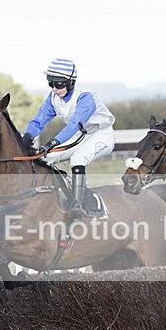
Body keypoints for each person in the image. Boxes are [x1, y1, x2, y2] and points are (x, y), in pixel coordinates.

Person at [23, 58, 116, 218]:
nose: (54, 88)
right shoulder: (53, 98)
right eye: (50, 83)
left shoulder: (85, 96)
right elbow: (38, 121)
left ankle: (78, 205)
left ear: (71, 82)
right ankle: (55, 196)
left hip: (101, 134)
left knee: (78, 159)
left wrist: (53, 142)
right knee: (45, 158)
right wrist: (26, 137)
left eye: (58, 84)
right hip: (81, 135)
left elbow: (73, 124)